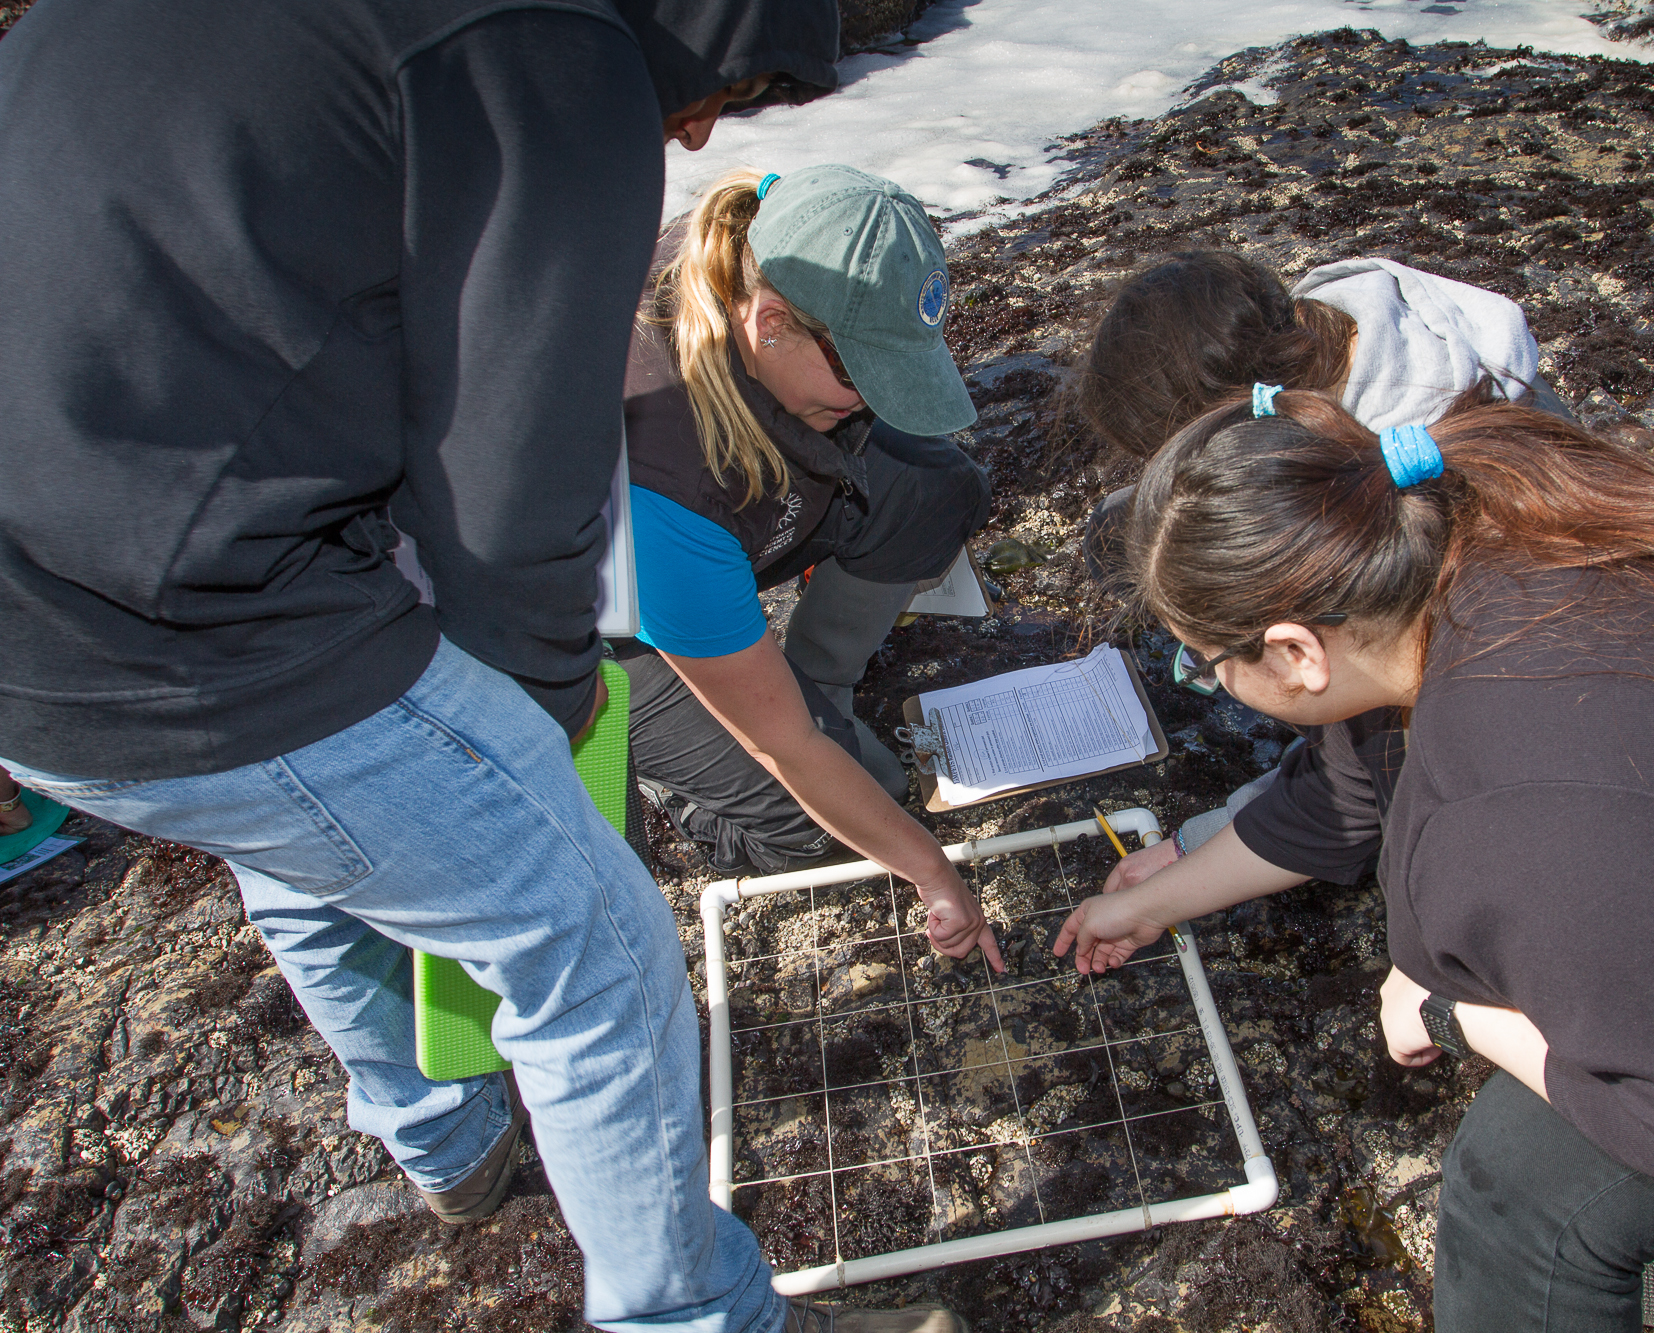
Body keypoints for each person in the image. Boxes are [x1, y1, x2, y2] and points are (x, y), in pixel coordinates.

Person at [0, 1, 965, 1328]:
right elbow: (518, 506)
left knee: (306, 844)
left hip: (60, 609)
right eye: (722, 91)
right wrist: (543, 742)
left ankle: (444, 1138)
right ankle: (696, 1315)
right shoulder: (547, 49)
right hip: (192, 633)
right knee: (596, 942)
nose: (688, 129)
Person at [1054, 384, 1654, 1328]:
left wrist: (1458, 1012)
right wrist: (1156, 900)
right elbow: (1345, 795)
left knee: (1530, 1176)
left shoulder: (1529, 805)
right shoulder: (1476, 510)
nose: (1211, 685)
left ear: (1297, 652)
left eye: (1204, 663)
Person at [617, 164, 1002, 973]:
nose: (871, 399)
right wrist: (930, 868)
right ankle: (671, 772)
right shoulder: (660, 473)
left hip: (742, 515)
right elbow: (782, 744)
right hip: (613, 625)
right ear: (769, 322)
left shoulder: (768, 233)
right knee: (814, 831)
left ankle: (818, 673)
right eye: (859, 372)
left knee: (941, 485)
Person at [1079, 249, 1578, 871]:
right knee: (1117, 535)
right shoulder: (1329, 326)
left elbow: (1352, 781)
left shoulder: (1406, 530)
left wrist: (1213, 838)